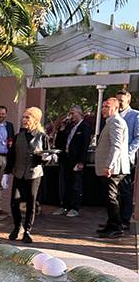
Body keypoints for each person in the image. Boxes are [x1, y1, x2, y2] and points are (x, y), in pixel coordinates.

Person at [4, 107, 51, 243]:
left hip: (34, 174)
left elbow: (48, 158)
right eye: (23, 117)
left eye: (27, 117)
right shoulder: (19, 137)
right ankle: (17, 226)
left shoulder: (43, 137)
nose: (24, 120)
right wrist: (6, 174)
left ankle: (27, 230)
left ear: (35, 119)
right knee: (14, 202)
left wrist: (45, 157)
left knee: (31, 203)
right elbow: (11, 156)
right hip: (19, 173)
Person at [95, 97, 130, 239]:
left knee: (111, 198)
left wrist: (108, 166)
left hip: (113, 168)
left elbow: (116, 147)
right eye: (103, 106)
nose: (103, 109)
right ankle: (111, 225)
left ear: (116, 108)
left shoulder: (116, 122)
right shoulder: (111, 121)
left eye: (107, 106)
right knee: (109, 197)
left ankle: (116, 227)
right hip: (111, 167)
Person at [53, 105, 92, 217]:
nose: (71, 116)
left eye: (73, 113)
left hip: (76, 160)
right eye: (70, 113)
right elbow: (59, 142)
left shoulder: (85, 127)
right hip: (66, 159)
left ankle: (75, 207)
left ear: (80, 114)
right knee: (67, 184)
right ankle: (65, 206)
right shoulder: (69, 126)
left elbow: (84, 146)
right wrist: (62, 128)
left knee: (76, 184)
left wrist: (81, 162)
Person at [116, 90, 139, 228]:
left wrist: (127, 152)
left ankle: (124, 220)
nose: (119, 103)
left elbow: (138, 138)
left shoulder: (135, 115)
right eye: (117, 100)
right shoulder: (114, 115)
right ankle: (113, 219)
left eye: (122, 101)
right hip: (113, 159)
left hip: (126, 159)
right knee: (113, 191)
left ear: (128, 101)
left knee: (124, 190)